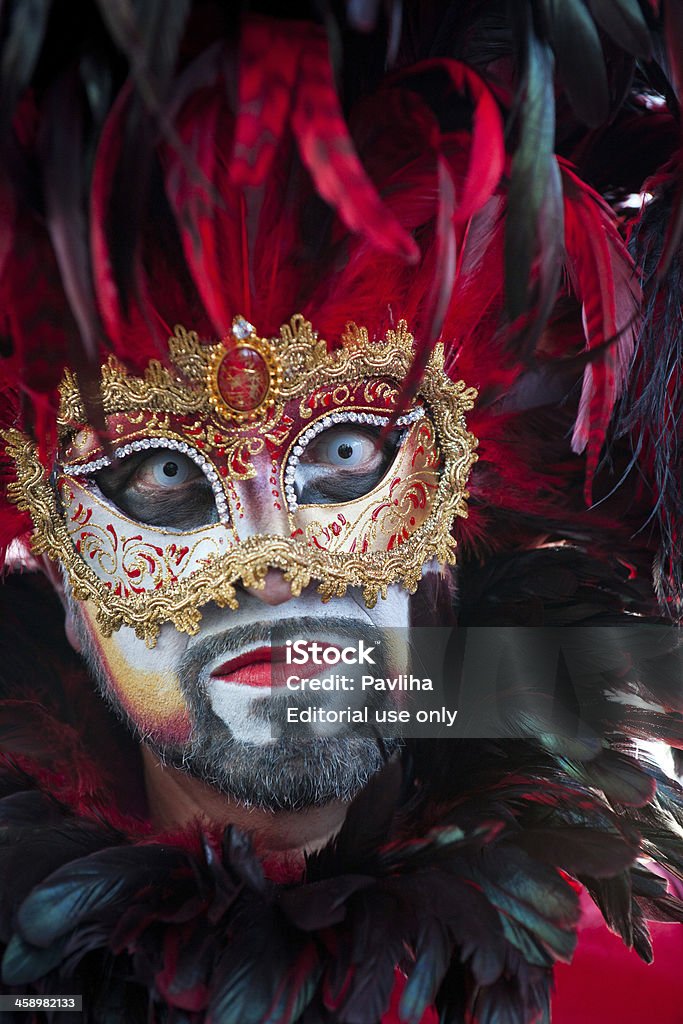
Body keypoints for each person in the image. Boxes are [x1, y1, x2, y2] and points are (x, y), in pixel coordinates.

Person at [0, 3, 682, 1022]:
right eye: (160, 480)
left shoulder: (636, 995)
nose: (276, 564)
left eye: (346, 452)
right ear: (57, 575)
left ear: (448, 513)